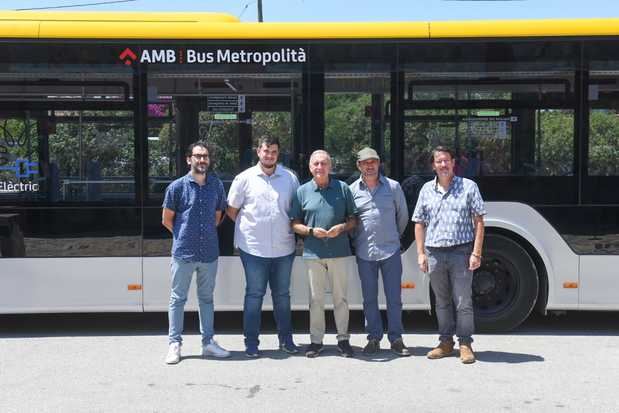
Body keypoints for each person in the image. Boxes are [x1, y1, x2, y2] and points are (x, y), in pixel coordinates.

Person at [226, 136, 300, 358]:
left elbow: (295, 210)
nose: (269, 155)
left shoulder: (290, 179)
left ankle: (286, 341)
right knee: (254, 295)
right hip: (253, 249)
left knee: (282, 296)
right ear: (258, 151)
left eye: (274, 152)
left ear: (279, 154)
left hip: (284, 247)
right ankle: (251, 344)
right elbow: (232, 211)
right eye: (266, 151)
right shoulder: (244, 179)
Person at [412, 145, 486, 364]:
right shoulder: (426, 189)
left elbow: (479, 221)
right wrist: (421, 253)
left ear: (453, 163)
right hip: (434, 253)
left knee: (463, 301)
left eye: (446, 160)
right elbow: (419, 223)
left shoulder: (468, 187)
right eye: (439, 161)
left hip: (461, 252)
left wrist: (476, 253)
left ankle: (465, 343)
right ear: (433, 165)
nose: (443, 165)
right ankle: (445, 343)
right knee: (442, 301)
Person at [162, 141, 230, 364]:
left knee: (206, 299)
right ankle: (174, 344)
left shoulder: (217, 186)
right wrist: (183, 236)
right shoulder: (177, 187)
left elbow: (218, 216)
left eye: (205, 156)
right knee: (177, 298)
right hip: (183, 253)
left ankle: (208, 343)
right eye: (198, 156)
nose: (202, 160)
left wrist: (203, 235)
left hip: (209, 252)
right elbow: (167, 220)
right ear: (188, 159)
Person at [290, 150, 357, 358]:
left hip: (339, 251)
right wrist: (310, 231)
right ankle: (316, 342)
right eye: (316, 164)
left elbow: (354, 219)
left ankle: (343, 340)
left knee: (341, 299)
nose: (320, 167)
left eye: (324, 163)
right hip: (313, 253)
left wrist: (342, 228)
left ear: (330, 166)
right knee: (316, 300)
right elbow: (294, 224)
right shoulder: (302, 192)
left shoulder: (343, 188)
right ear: (310, 167)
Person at [349, 147, 411, 357]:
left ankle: (396, 339)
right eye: (365, 162)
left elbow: (403, 217)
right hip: (365, 253)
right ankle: (373, 338)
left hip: (390, 251)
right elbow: (350, 221)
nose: (369, 165)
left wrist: (394, 237)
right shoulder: (352, 190)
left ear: (378, 164)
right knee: (369, 299)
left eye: (373, 161)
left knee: (394, 298)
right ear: (359, 166)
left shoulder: (393, 187)